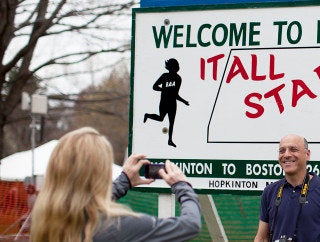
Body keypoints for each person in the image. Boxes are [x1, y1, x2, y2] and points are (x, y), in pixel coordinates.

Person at [30, 127, 201, 242]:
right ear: (101, 173)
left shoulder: (46, 221)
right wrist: (182, 186)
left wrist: (123, 181)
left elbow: (84, 206)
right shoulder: (120, 226)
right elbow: (190, 225)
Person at [254, 134, 320, 242]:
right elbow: (261, 238)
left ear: (307, 154)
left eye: (293, 149)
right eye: (282, 151)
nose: (286, 154)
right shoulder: (270, 191)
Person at [144, 58, 190, 147]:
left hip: (172, 103)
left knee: (171, 122)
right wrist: (163, 89)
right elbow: (154, 86)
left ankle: (170, 140)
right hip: (164, 101)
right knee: (161, 118)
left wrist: (184, 101)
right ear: (169, 67)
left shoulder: (178, 78)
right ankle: (147, 115)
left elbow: (176, 94)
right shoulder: (164, 76)